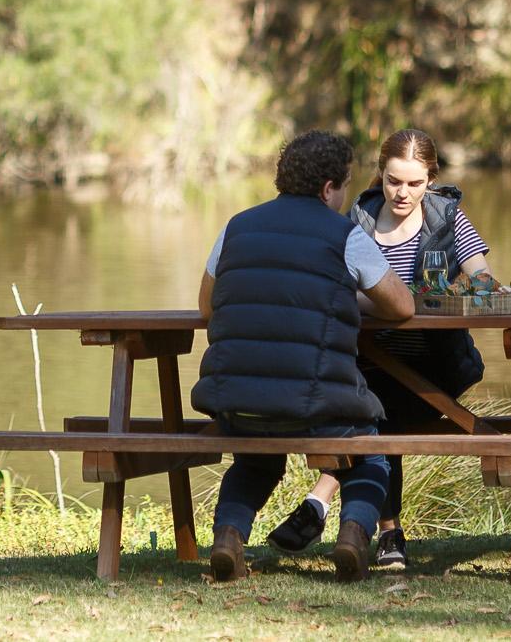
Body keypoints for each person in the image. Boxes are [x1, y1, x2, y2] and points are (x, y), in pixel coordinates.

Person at [191, 130, 414, 582]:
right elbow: (402, 306)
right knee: (369, 450)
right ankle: (352, 536)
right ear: (328, 187)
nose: (346, 195)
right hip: (314, 406)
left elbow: (206, 305)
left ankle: (228, 539)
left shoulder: (236, 226)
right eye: (346, 186)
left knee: (254, 459)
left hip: (234, 400)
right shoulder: (345, 235)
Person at [263, 127, 492, 568]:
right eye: (392, 181)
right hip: (368, 364)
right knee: (375, 407)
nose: (402, 193)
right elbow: (334, 287)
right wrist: (390, 302)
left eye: (414, 183)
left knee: (373, 412)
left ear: (431, 178)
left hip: (435, 368)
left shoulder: (448, 217)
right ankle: (386, 537)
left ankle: (322, 500)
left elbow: (481, 278)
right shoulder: (358, 220)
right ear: (379, 174)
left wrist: (423, 296)